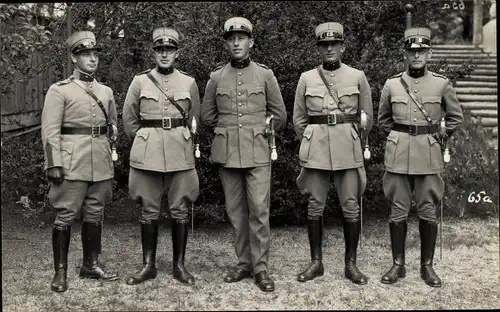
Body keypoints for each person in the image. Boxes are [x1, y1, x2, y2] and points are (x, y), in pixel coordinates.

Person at [201, 17, 287, 292]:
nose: (236, 42)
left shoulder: (265, 75)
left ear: (251, 42)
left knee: (259, 211)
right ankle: (243, 264)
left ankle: (261, 268)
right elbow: (207, 116)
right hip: (228, 154)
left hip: (258, 152)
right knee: (236, 212)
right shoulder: (216, 77)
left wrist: (258, 130)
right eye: (231, 38)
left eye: (241, 38)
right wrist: (228, 132)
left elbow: (280, 115)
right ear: (226, 43)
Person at [378, 27, 463, 288]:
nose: (416, 55)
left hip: (428, 153)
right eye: (412, 51)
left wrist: (439, 134)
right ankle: (398, 265)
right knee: (398, 210)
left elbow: (455, 117)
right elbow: (383, 120)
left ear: (429, 53)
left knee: (427, 209)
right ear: (405, 54)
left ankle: (427, 266)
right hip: (399, 153)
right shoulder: (392, 84)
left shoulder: (441, 83)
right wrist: (400, 137)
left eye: (421, 51)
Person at [293, 22, 373, 285]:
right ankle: (316, 263)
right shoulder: (307, 78)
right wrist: (310, 140)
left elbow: (366, 118)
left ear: (342, 47)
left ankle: (351, 264)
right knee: (315, 206)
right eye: (324, 45)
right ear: (319, 48)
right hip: (316, 148)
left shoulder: (357, 76)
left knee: (350, 207)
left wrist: (354, 140)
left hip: (347, 149)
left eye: (334, 44)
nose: (329, 48)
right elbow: (299, 119)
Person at [41, 31, 119, 293]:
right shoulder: (59, 90)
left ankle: (90, 264)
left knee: (95, 213)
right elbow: (50, 131)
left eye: (95, 55)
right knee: (65, 215)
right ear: (75, 58)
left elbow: (112, 125)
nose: (92, 59)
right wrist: (54, 163)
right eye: (86, 54)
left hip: (100, 159)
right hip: (72, 162)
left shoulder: (105, 91)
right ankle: (60, 272)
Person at [122, 27, 200, 286]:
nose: (164, 54)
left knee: (180, 210)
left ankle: (179, 266)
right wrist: (146, 141)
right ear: (153, 52)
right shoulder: (140, 81)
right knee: (148, 209)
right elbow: (129, 120)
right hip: (148, 151)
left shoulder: (188, 82)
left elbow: (194, 119)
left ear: (177, 53)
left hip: (180, 150)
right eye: (160, 50)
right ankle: (149, 266)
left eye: (169, 50)